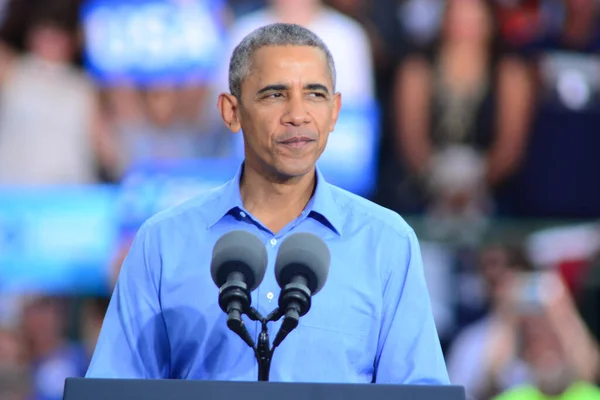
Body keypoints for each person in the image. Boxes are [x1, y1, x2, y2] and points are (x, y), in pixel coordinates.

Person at [86, 23, 449, 384]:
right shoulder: (162, 242)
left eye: (315, 94)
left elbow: (419, 390)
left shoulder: (387, 242)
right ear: (231, 111)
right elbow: (115, 387)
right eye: (275, 94)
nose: (297, 114)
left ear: (335, 111)